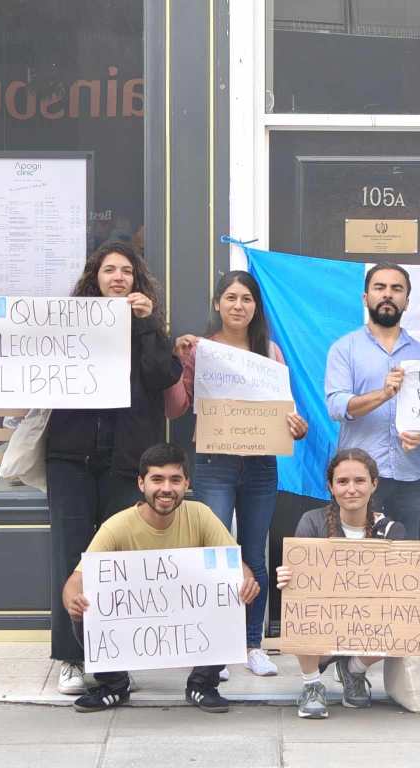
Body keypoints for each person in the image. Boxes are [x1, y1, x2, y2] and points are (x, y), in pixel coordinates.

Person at [0, 240, 182, 695]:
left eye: (126, 272)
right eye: (109, 271)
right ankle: (71, 657)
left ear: (137, 282)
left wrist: (145, 327)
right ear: (94, 279)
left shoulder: (147, 327)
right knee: (70, 555)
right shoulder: (66, 319)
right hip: (70, 458)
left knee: (119, 559)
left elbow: (166, 376)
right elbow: (17, 339)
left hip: (125, 462)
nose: (118, 278)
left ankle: (116, 658)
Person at [165, 270, 308, 677]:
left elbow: (288, 411)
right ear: (217, 303)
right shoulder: (200, 350)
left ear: (256, 307)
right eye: (231, 298)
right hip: (215, 463)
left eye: (246, 299)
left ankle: (251, 644)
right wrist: (177, 363)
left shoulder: (271, 353)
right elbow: (175, 408)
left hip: (261, 463)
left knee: (254, 553)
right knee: (215, 554)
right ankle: (215, 645)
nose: (239, 306)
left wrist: (297, 427)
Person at [61, 443, 260, 713]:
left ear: (186, 483)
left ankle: (203, 683)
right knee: (82, 611)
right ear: (141, 483)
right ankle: (114, 683)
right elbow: (76, 580)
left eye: (175, 480)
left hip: (188, 618)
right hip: (133, 622)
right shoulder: (117, 525)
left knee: (238, 595)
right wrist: (73, 600)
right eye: (157, 479)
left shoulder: (200, 514)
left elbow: (236, 566)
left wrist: (247, 582)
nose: (166, 488)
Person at [324, 262, 420, 677]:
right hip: (358, 482)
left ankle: (412, 646)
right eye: (380, 287)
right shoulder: (345, 348)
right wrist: (384, 393)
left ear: (407, 300)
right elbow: (337, 405)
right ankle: (351, 649)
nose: (388, 294)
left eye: (397, 288)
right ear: (366, 297)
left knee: (408, 562)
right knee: (356, 566)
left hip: (409, 474)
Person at [275, 448, 420, 718]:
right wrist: (288, 578)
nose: (351, 489)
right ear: (330, 487)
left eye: (360, 481)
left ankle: (354, 670)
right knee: (299, 605)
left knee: (403, 616)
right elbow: (300, 578)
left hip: (367, 629)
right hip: (323, 628)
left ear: (374, 484)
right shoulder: (312, 522)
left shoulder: (391, 530)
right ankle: (311, 685)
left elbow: (405, 587)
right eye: (342, 482)